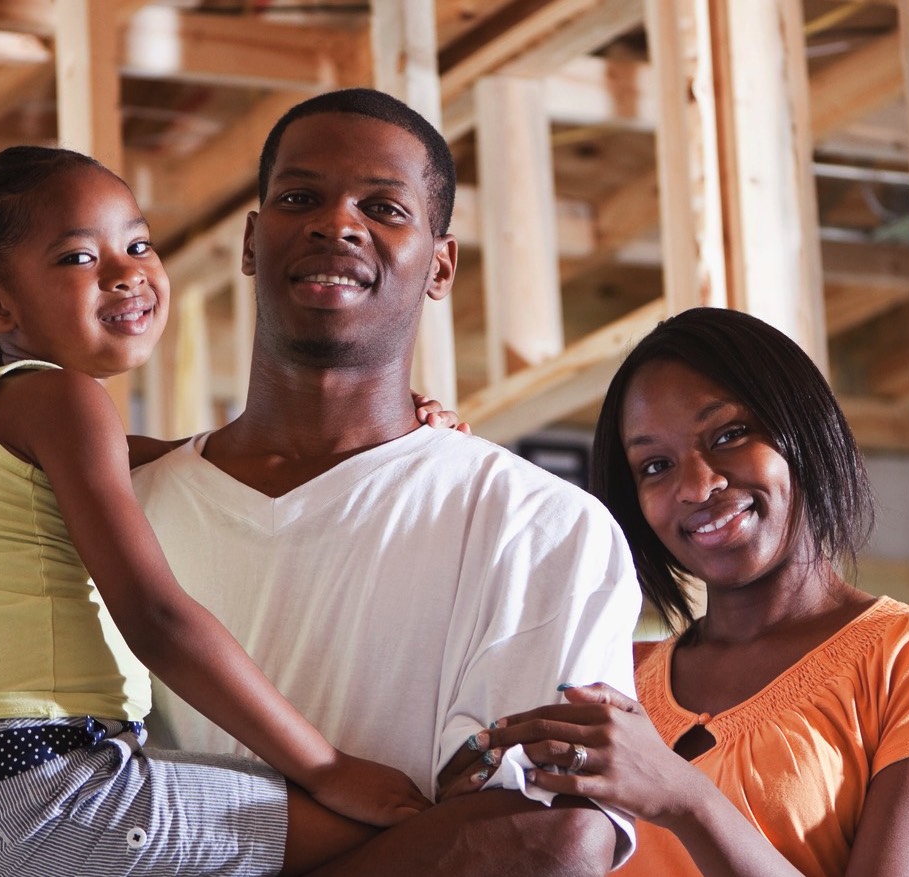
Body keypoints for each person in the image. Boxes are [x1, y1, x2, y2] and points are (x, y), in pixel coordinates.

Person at [0, 144, 474, 877]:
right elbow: (157, 619)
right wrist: (326, 764)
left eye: (137, 244)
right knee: (406, 833)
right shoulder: (60, 399)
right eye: (79, 258)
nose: (127, 272)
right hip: (43, 791)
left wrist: (394, 430)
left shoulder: (29, 415)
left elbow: (177, 457)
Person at [130, 88, 643, 875]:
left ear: (439, 265)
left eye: (383, 206)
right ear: (250, 240)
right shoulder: (123, 507)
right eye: (299, 196)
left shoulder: (540, 527)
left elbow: (534, 842)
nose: (336, 221)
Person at [468, 306, 909, 877]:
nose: (697, 485)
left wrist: (686, 800)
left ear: (803, 428)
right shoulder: (614, 678)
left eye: (729, 435)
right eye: (655, 465)